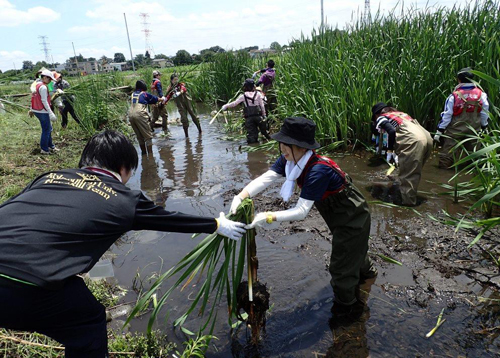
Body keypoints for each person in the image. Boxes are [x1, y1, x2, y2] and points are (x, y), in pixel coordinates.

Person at [0, 130, 246, 358]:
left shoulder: (49, 177)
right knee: (88, 321)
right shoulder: (123, 199)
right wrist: (216, 225)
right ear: (124, 168)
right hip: (22, 286)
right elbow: (171, 220)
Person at [230, 116, 376, 321]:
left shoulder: (317, 170)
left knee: (341, 268)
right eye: (281, 142)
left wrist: (268, 216)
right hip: (339, 216)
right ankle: (368, 276)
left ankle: (349, 313)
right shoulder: (291, 161)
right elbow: (267, 178)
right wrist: (241, 195)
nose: (281, 147)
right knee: (353, 251)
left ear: (301, 146)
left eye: (286, 143)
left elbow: (301, 211)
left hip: (353, 217)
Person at [371, 102, 433, 206]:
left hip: (413, 141)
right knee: (413, 172)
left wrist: (390, 151)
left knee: (408, 176)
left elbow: (391, 131)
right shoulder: (400, 114)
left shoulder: (381, 118)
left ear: (376, 114)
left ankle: (407, 207)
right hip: (427, 138)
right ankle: (408, 195)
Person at [434, 67, 489, 169]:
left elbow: (447, 115)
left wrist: (439, 131)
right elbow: (484, 113)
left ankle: (443, 170)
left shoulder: (454, 95)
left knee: (446, 155)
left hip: (455, 129)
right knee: (475, 155)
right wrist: (484, 127)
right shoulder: (481, 94)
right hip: (474, 128)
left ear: (459, 79)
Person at [221, 78, 271, 144]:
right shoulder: (258, 94)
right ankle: (268, 143)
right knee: (265, 132)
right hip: (259, 117)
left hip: (249, 118)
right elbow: (262, 106)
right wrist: (264, 115)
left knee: (251, 136)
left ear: (245, 86)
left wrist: (225, 106)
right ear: (253, 86)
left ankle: (253, 149)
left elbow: (234, 103)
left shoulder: (243, 96)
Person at [128, 80, 164, 156]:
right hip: (140, 115)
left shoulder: (133, 94)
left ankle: (143, 154)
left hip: (131, 115)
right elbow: (153, 98)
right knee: (148, 136)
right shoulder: (144, 94)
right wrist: (162, 99)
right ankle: (150, 156)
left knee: (139, 137)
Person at [30, 69, 59, 155]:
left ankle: (51, 146)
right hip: (42, 111)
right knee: (46, 130)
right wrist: (50, 113)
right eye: (49, 79)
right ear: (45, 77)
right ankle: (44, 149)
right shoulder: (42, 87)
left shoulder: (38, 84)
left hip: (36, 110)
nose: (50, 81)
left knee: (48, 128)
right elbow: (44, 101)